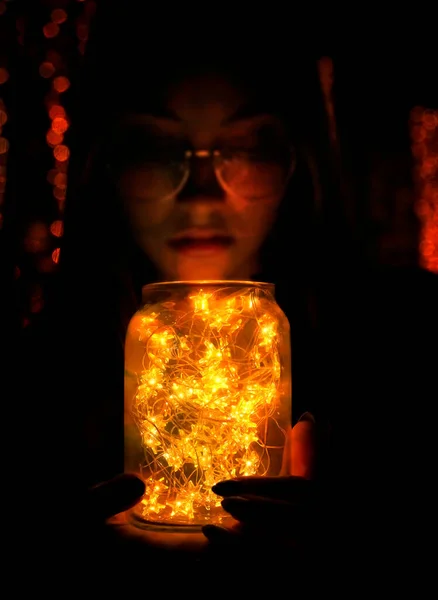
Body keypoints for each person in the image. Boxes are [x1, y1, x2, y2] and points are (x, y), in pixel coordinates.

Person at [14, 6, 438, 589]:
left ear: (299, 161)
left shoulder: (413, 349)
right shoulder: (31, 388)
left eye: (247, 148)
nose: (203, 195)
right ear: (103, 164)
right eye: (156, 150)